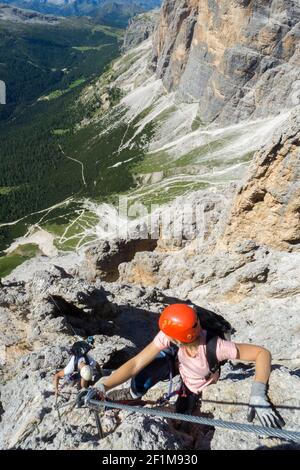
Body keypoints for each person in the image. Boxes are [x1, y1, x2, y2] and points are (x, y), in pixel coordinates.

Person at [94, 304, 285, 429]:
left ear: (178, 338)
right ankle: (133, 393)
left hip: (196, 382)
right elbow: (137, 362)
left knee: (182, 421)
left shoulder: (217, 347)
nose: (164, 335)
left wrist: (258, 394)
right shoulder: (170, 336)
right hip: (181, 363)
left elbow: (262, 353)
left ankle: (186, 406)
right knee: (154, 363)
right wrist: (105, 385)